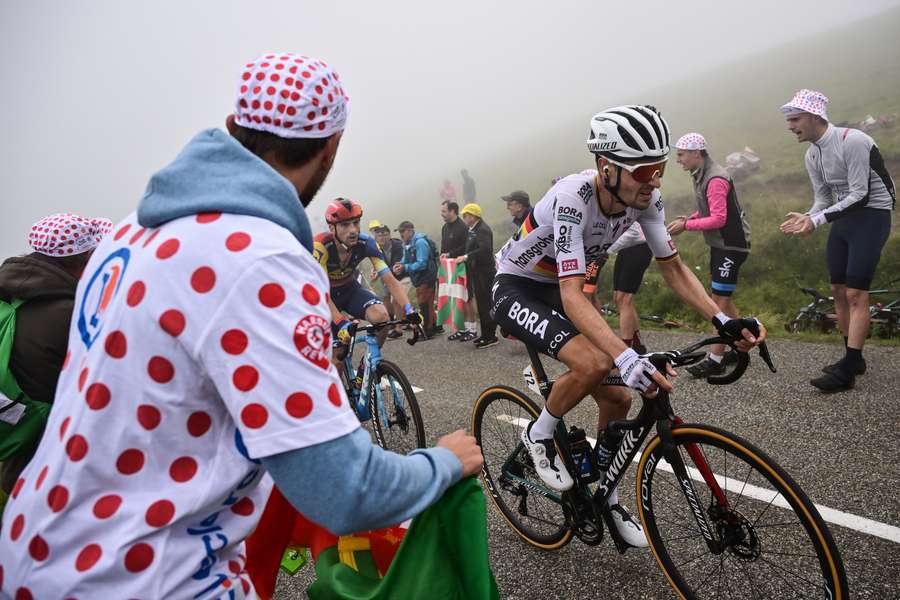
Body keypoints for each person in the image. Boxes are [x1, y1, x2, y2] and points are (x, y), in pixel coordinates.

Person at [0, 53, 482, 599]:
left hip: (35, 545)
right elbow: (344, 490)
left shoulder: (128, 233)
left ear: (233, 127)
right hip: (144, 576)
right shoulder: (262, 258)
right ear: (332, 147)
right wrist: (441, 462)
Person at [492, 105, 766, 548]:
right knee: (596, 361)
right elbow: (570, 293)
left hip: (563, 288)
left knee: (619, 395)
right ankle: (538, 434)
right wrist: (624, 355)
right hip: (520, 287)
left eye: (659, 168)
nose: (655, 180)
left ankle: (607, 494)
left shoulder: (646, 200)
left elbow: (674, 268)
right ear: (607, 168)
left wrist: (723, 320)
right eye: (644, 171)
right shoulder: (571, 198)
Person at [779, 89, 895, 392]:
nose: (790, 126)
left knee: (857, 292)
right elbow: (823, 198)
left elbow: (860, 194)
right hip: (843, 216)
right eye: (788, 120)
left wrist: (817, 220)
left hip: (872, 215)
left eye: (795, 119)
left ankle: (848, 368)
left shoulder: (852, 140)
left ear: (815, 116)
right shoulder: (812, 153)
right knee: (838, 289)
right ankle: (852, 357)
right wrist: (808, 216)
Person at [0, 213, 112, 497]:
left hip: (18, 447)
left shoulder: (8, 297)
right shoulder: (75, 314)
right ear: (84, 258)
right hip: (56, 460)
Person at [667, 132, 750, 377]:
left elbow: (718, 218)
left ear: (696, 153)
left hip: (731, 246)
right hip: (722, 245)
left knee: (717, 304)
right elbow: (708, 208)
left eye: (681, 155)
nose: (678, 159)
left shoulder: (715, 178)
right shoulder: (702, 173)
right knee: (723, 300)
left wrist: (687, 226)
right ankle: (744, 340)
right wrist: (690, 218)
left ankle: (716, 360)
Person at [314, 198, 418, 348]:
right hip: (325, 297)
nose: (353, 230)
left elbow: (390, 281)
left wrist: (409, 309)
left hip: (350, 290)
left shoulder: (367, 243)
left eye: (356, 223)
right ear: (332, 228)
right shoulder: (321, 246)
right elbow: (321, 292)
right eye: (345, 225)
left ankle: (372, 363)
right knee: (338, 359)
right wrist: (340, 321)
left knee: (382, 317)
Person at [457, 204, 498, 348]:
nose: (464, 218)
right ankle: (485, 334)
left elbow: (485, 249)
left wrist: (467, 257)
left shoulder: (482, 230)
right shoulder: (473, 229)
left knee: (485, 303)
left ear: (473, 216)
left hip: (484, 272)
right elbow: (470, 247)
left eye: (466, 215)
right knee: (481, 303)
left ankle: (490, 336)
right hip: (477, 271)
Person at [393, 221, 441, 337]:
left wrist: (406, 267)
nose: (401, 235)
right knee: (427, 302)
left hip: (426, 276)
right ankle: (435, 326)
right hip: (419, 278)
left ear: (410, 230)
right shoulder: (407, 244)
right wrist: (400, 265)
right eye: (400, 232)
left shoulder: (420, 243)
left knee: (424, 303)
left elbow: (422, 263)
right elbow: (405, 260)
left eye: (402, 231)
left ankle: (427, 330)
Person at [440, 201, 477, 340]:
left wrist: (450, 254)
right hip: (449, 267)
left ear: (453, 211)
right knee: (455, 298)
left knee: (467, 297)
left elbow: (466, 248)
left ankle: (472, 329)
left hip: (463, 267)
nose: (441, 214)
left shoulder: (462, 227)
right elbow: (444, 247)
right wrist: (443, 255)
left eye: (444, 211)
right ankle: (461, 328)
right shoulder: (445, 227)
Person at [369, 220, 407, 339]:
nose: (382, 237)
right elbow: (378, 264)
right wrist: (375, 271)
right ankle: (391, 320)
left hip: (404, 275)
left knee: (396, 299)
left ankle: (398, 328)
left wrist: (381, 272)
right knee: (382, 293)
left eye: (385, 234)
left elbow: (397, 267)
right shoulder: (377, 248)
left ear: (389, 235)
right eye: (379, 235)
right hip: (389, 277)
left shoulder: (397, 245)